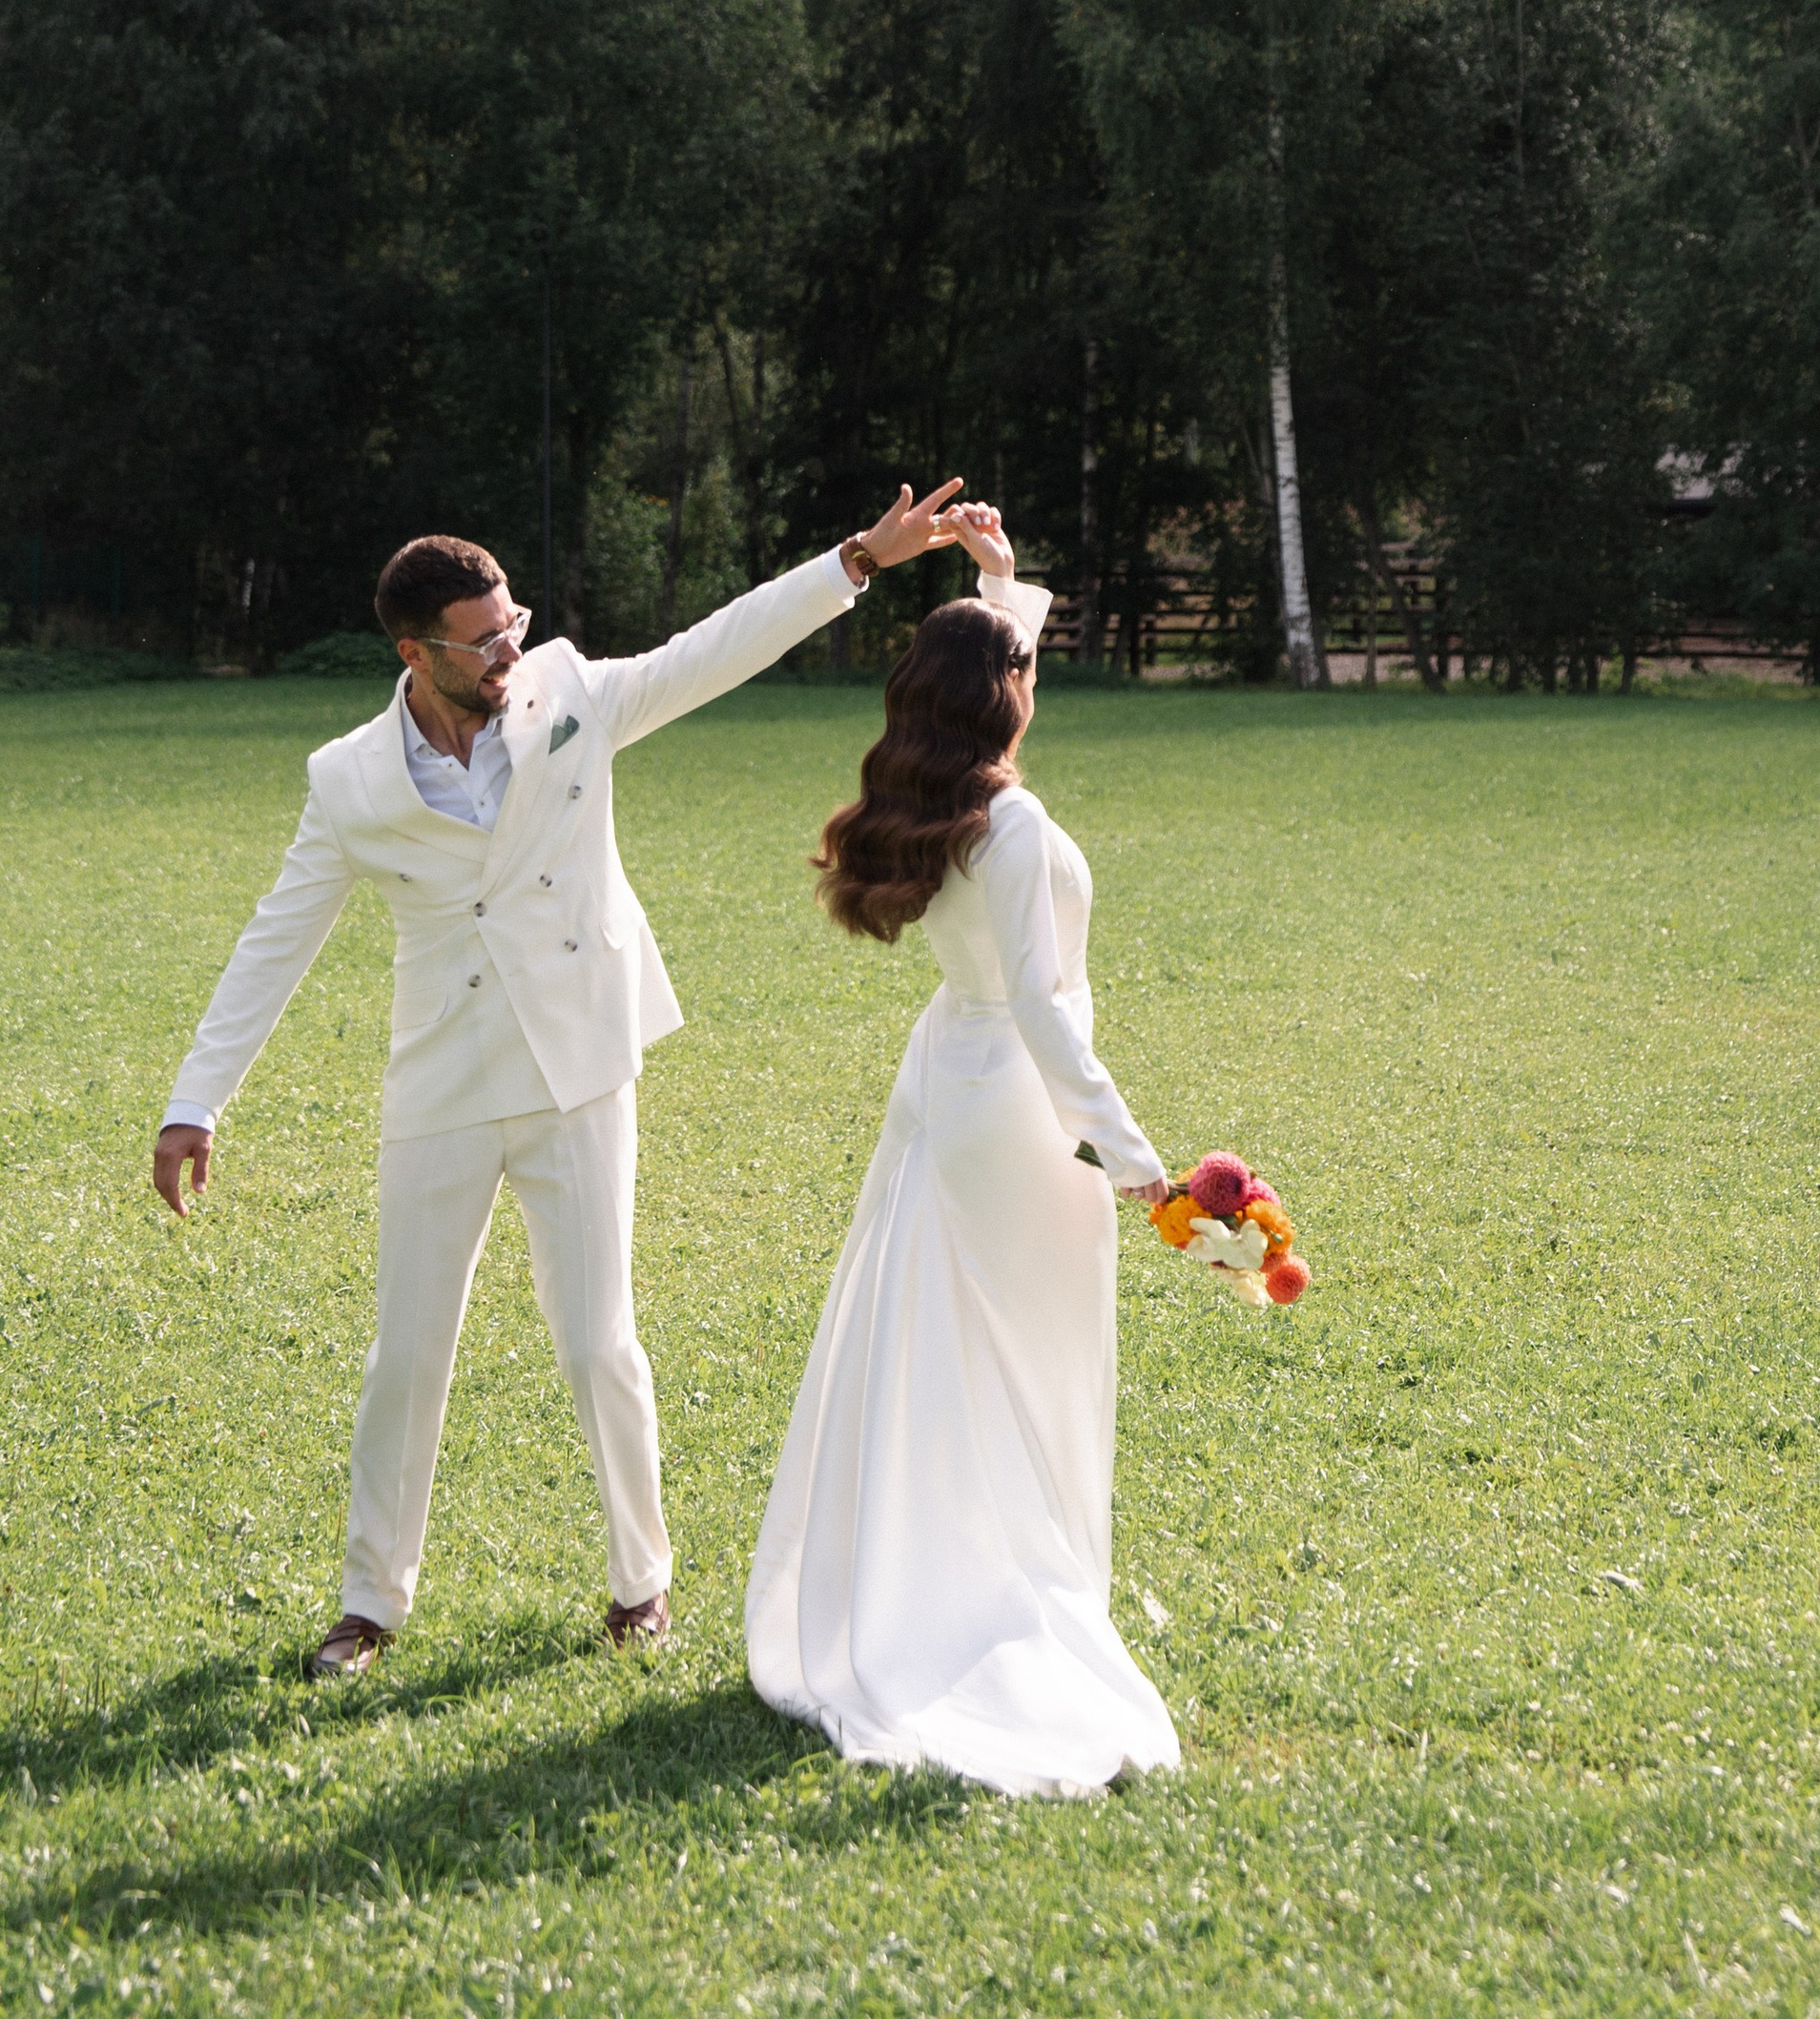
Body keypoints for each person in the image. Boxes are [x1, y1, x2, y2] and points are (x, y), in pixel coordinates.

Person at [152, 481, 964, 1679]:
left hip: (582, 1066)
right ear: (414, 653)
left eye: (512, 623)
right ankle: (370, 1604)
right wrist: (193, 1100)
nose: (509, 650)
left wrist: (856, 560)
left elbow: (711, 651)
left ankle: (643, 1585)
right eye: (483, 641)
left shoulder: (572, 689)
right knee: (405, 1358)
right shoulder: (347, 780)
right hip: (442, 1084)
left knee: (599, 1346)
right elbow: (278, 937)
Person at [745, 502, 1179, 1798]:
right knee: (1029, 1355)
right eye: (1024, 669)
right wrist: (1134, 1155)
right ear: (1008, 699)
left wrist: (998, 585)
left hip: (950, 1076)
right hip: (1022, 1110)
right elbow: (1048, 1008)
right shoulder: (1019, 823)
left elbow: (999, 675)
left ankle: (968, 1565)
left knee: (960, 1339)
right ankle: (1014, 1583)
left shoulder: (937, 795)